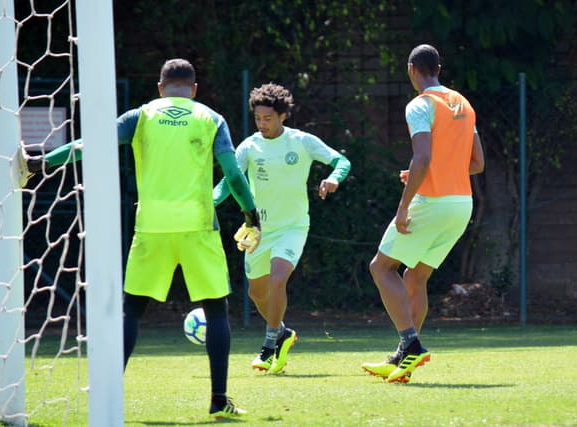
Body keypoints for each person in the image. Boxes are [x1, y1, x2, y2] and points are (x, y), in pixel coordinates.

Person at [19, 58, 260, 418]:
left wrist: (40, 163)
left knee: (132, 310)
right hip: (198, 227)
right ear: (194, 90)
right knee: (216, 310)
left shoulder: (141, 115)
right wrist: (251, 213)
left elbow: (91, 145)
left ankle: (107, 394)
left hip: (151, 227)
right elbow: (233, 174)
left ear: (160, 87)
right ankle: (218, 399)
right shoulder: (211, 118)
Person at [361, 44, 485, 383]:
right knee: (415, 277)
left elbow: (423, 158)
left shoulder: (419, 105)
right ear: (439, 69)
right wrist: (425, 171)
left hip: (431, 202)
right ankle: (404, 358)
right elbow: (476, 163)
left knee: (381, 268)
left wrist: (403, 207)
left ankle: (410, 344)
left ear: (412, 69)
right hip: (461, 204)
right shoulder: (464, 103)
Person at [213, 83, 351, 374]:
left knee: (278, 280)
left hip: (293, 226)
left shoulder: (301, 142)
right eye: (258, 118)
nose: (262, 124)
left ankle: (269, 345)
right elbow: (230, 180)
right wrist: (210, 201)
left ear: (283, 116)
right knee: (256, 293)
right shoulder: (249, 146)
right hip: (259, 229)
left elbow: (341, 160)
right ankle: (283, 332)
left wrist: (334, 178)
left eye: (268, 118)